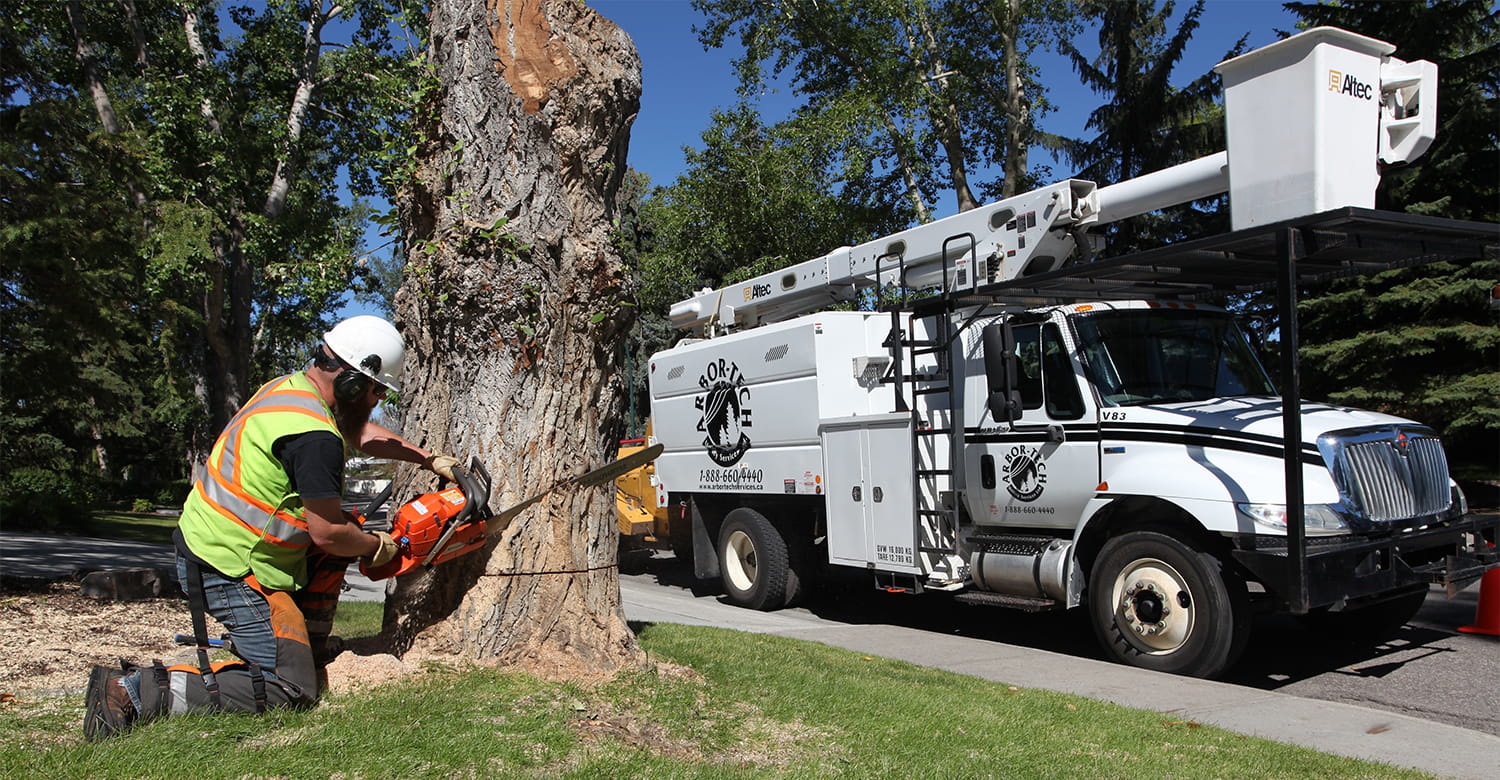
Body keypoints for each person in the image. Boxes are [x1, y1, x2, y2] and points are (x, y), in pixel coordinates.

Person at [83, 315, 458, 740]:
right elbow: (328, 535)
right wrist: (377, 546)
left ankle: (304, 648)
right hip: (231, 569)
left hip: (213, 546)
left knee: (347, 530)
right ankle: (131, 691)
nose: (376, 402)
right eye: (376, 391)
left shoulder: (290, 391)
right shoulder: (314, 437)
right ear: (353, 383)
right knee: (292, 689)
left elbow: (361, 432)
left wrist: (428, 458)